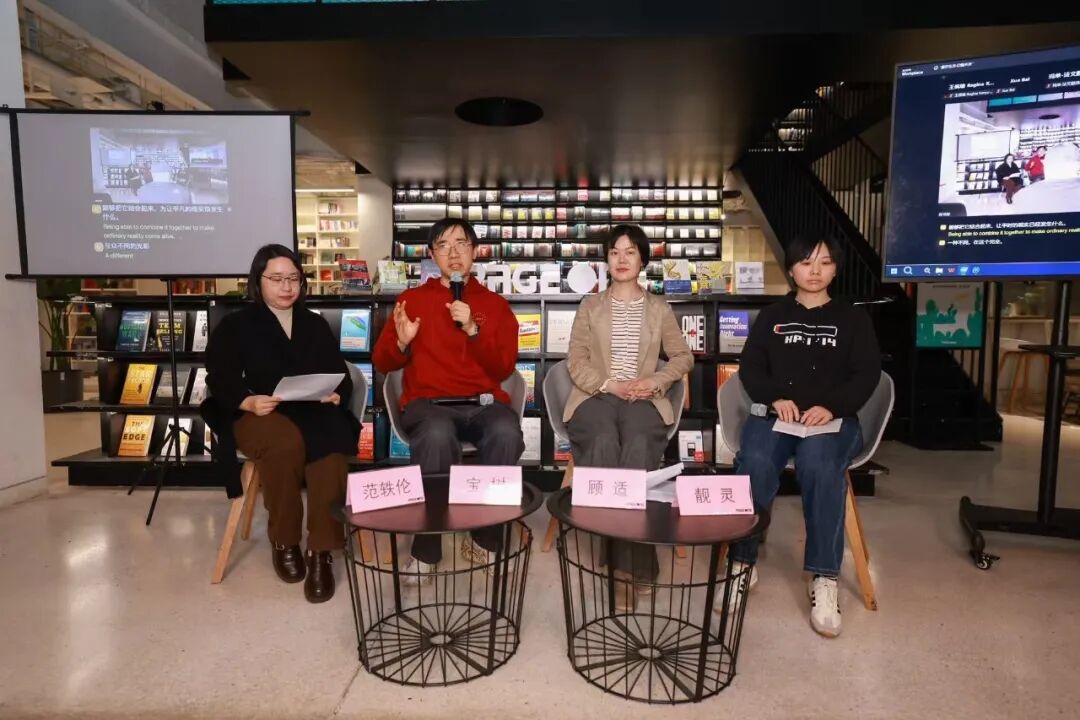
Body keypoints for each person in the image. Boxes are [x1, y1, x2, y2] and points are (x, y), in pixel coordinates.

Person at [726, 235, 880, 638]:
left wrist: (833, 406)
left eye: (824, 263)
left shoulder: (853, 319)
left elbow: (866, 374)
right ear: (791, 268)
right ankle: (742, 562)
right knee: (755, 461)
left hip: (832, 420)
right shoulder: (772, 316)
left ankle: (824, 576)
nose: (815, 271)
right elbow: (751, 368)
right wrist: (775, 398)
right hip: (779, 415)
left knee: (820, 464)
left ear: (835, 269)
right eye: (806, 262)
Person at [204, 244, 359, 604]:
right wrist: (247, 400)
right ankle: (284, 540)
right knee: (285, 442)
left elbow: (338, 372)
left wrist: (336, 393)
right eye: (276, 279)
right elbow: (220, 376)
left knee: (332, 444)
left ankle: (321, 550)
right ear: (257, 282)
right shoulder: (236, 325)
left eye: (293, 278)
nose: (287, 287)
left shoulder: (314, 323)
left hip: (310, 409)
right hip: (257, 413)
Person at [373, 219, 524, 582]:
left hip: (483, 403)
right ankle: (427, 549)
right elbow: (382, 362)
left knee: (506, 432)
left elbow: (504, 367)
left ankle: (486, 539)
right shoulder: (412, 300)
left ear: (475, 251)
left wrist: (474, 330)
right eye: (443, 245)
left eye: (461, 244)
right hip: (429, 404)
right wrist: (402, 342)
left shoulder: (495, 305)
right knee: (437, 434)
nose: (453, 253)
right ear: (431, 254)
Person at [564, 224, 693, 611]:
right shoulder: (590, 306)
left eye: (630, 252)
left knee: (637, 445)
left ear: (642, 260)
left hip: (642, 398)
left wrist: (657, 380)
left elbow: (683, 357)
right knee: (604, 442)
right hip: (596, 396)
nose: (621, 259)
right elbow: (576, 361)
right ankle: (630, 569)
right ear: (606, 260)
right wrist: (609, 385)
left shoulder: (659, 308)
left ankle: (623, 563)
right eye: (614, 252)